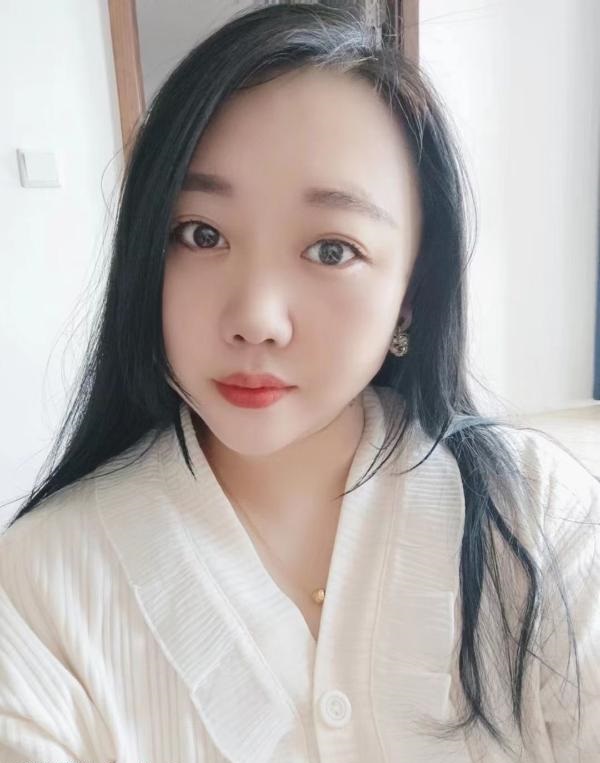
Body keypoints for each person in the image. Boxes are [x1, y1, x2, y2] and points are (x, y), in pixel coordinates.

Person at [1, 3, 598, 762]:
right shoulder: (40, 584)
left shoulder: (537, 514)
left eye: (331, 249)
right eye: (202, 234)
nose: (256, 318)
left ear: (411, 291)